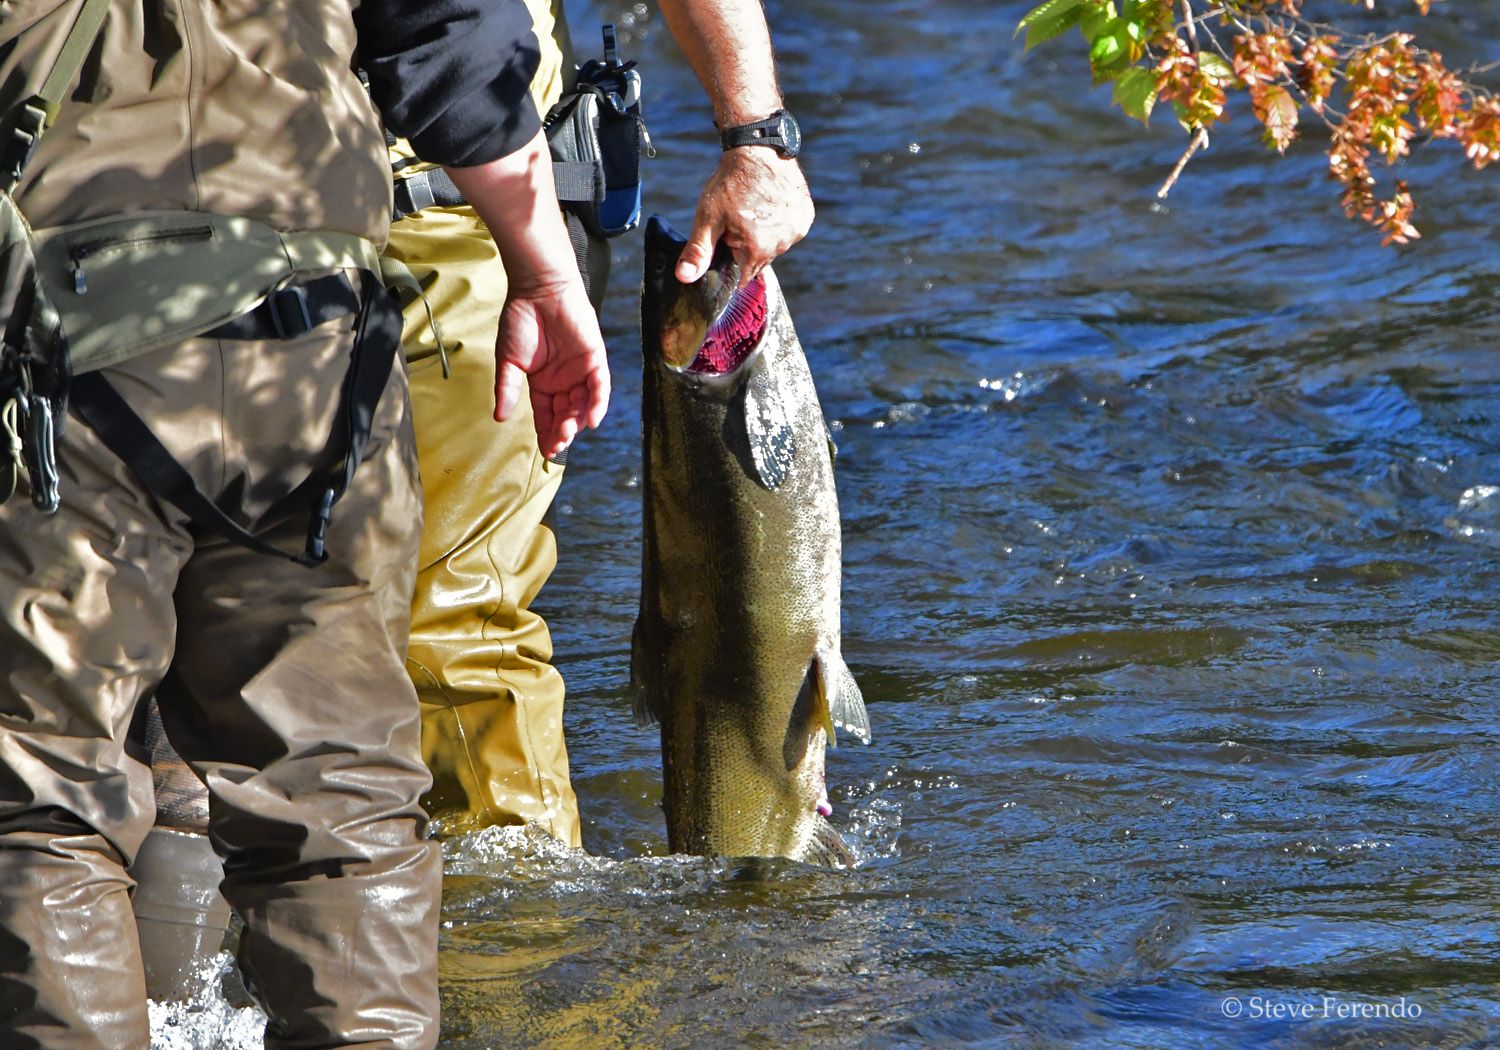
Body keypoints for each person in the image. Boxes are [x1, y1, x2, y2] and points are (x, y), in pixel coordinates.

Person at [0, 1, 606, 1048]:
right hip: (317, 357)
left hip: (56, 357)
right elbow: (455, 35)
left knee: (44, 805)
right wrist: (541, 266)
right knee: (343, 804)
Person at [401, 0, 817, 849]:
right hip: (459, 189)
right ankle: (517, 960)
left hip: (145, 198)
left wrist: (756, 138)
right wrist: (755, 135)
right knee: (453, 626)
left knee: (198, 611)